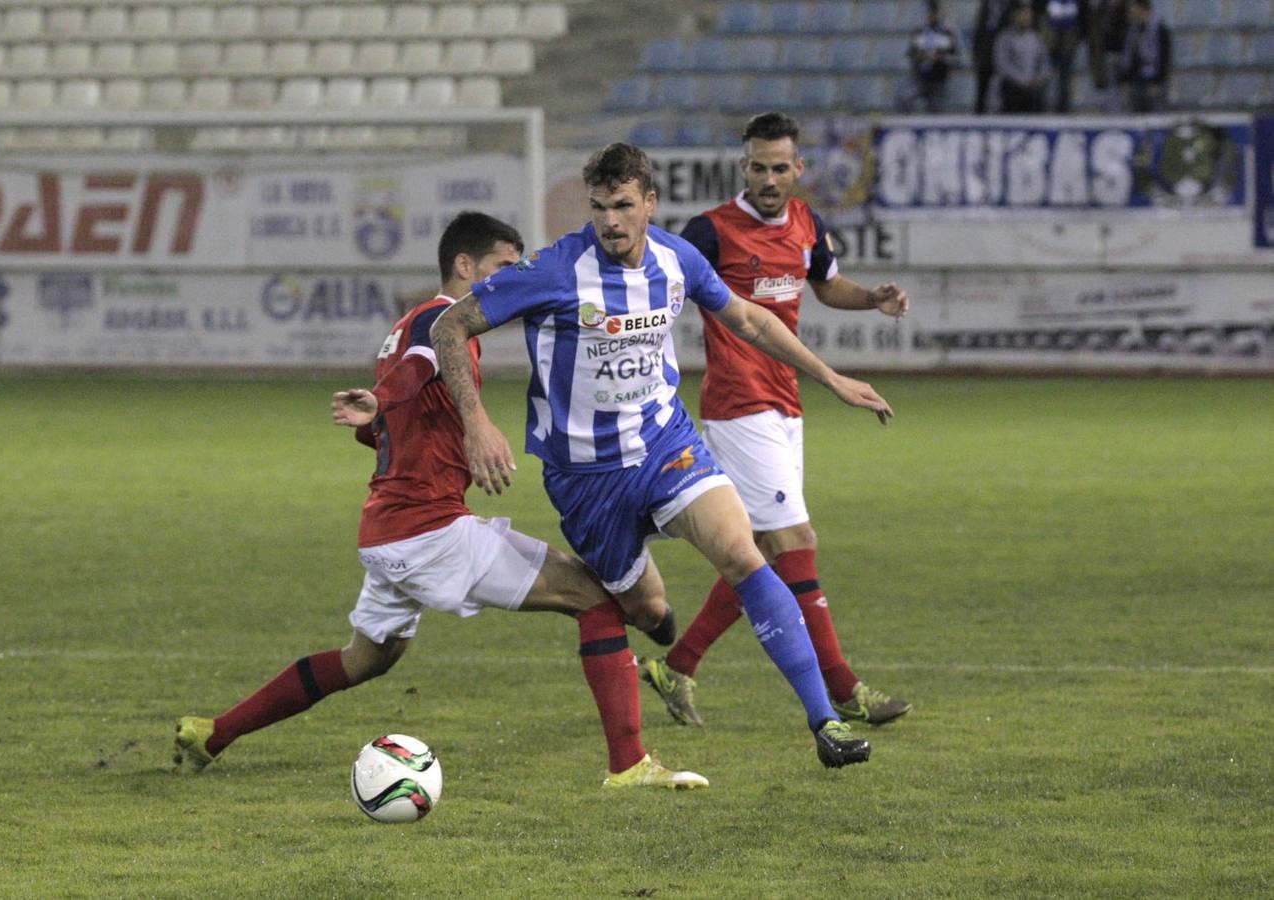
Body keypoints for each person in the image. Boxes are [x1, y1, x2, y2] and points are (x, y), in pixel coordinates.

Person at [173, 211, 707, 790]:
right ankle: (629, 765)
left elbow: (395, 413)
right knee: (595, 599)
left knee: (366, 660)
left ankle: (213, 732)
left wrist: (381, 413)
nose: (511, 281)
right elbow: (416, 369)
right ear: (463, 265)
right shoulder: (436, 323)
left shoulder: (404, 324)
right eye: (503, 267)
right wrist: (383, 401)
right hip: (428, 530)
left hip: (388, 531)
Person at [430, 143, 894, 769]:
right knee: (645, 608)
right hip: (585, 478)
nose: (611, 221)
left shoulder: (678, 259)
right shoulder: (555, 268)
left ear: (649, 203)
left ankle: (825, 723)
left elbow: (750, 321)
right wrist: (475, 422)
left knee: (743, 553)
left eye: (623, 205)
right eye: (599, 208)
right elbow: (448, 326)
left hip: (665, 445)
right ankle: (664, 641)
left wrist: (832, 377)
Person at [633, 112, 912, 730]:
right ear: (744, 167)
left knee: (757, 551)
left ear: (797, 169)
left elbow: (825, 284)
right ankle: (843, 689)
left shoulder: (807, 224)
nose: (768, 178)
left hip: (784, 404)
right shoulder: (709, 232)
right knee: (797, 544)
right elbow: (654, 284)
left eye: (779, 167)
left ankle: (677, 665)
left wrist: (872, 298)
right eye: (757, 167)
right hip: (738, 407)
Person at [900, 0, 965, 114]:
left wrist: (940, 58)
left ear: (937, 13)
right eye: (926, 13)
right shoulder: (918, 32)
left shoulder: (948, 32)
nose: (928, 16)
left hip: (939, 81)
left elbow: (957, 59)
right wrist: (920, 56)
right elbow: (909, 55)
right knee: (905, 98)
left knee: (935, 109)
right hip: (919, 79)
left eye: (930, 13)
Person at [995, 3, 1051, 113]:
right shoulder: (1005, 38)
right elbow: (1002, 64)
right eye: (1024, 14)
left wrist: (1040, 77)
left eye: (1029, 15)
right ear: (1016, 16)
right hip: (1014, 87)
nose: (1027, 18)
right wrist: (1024, 80)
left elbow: (1045, 61)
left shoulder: (1036, 38)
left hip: (1033, 87)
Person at [1038, 0, 1091, 112]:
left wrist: (1077, 40)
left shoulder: (1078, 4)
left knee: (1065, 81)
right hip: (1049, 44)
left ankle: (1064, 109)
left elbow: (1082, 20)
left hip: (1070, 46)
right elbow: (1042, 16)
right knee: (1048, 79)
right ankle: (1045, 108)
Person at [1119, 0, 1170, 113]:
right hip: (1136, 82)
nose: (1131, 11)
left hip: (1153, 82)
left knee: (1156, 117)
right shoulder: (1132, 31)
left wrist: (1158, 81)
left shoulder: (1160, 29)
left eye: (1133, 8)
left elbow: (1164, 58)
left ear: (1141, 9)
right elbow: (1129, 56)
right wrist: (1125, 79)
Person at [973, 0, 1016, 113]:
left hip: (1005, 54)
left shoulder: (1012, 4)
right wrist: (976, 53)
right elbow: (979, 29)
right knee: (982, 91)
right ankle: (978, 119)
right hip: (985, 55)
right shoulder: (986, 4)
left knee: (1004, 91)